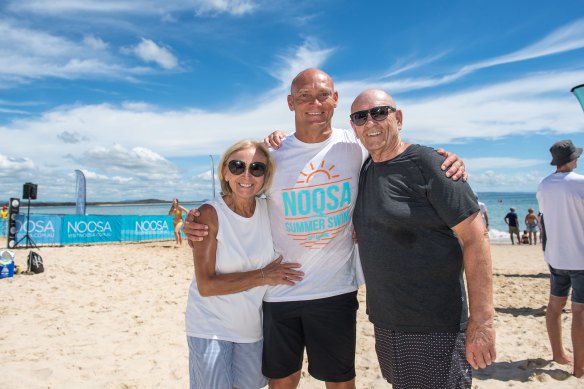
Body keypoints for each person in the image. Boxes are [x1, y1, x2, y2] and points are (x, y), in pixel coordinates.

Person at [185, 68, 467, 389]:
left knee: (340, 382)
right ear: (291, 103)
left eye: (322, 95)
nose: (314, 103)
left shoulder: (355, 145)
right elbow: (240, 193)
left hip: (336, 290)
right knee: (282, 381)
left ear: (335, 99)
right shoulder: (273, 155)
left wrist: (445, 159)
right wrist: (197, 215)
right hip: (280, 292)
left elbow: (395, 151)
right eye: (304, 96)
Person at [350, 89, 495, 388]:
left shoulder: (431, 165)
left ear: (398, 118)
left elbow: (476, 237)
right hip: (386, 322)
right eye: (360, 117)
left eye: (379, 112)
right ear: (353, 126)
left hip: (436, 326)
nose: (370, 122)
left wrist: (482, 321)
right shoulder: (365, 168)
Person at [186, 140, 304, 388]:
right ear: (225, 172)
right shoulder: (210, 214)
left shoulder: (269, 209)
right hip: (210, 326)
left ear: (265, 176)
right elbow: (207, 285)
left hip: (251, 328)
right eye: (237, 166)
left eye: (257, 168)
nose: (247, 175)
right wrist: (264, 276)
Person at [536, 139, 584, 378]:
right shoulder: (581, 183)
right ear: (572, 159)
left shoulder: (543, 185)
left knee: (555, 305)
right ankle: (579, 367)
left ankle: (558, 354)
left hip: (556, 255)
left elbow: (547, 218)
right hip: (581, 256)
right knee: (580, 311)